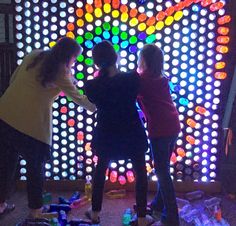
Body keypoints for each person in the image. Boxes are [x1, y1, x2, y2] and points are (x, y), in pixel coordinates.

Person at [0, 37, 96, 218]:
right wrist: (99, 107)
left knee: (5, 164)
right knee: (36, 168)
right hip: (30, 126)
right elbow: (78, 98)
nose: (73, 62)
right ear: (69, 57)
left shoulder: (35, 55)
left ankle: (1, 204)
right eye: (74, 59)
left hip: (4, 115)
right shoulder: (61, 71)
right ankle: (35, 211)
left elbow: (15, 78)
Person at [84, 41, 154, 226]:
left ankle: (95, 212)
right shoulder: (132, 79)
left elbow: (93, 100)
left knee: (100, 172)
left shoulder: (92, 86)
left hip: (107, 135)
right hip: (132, 133)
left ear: (96, 63)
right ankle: (141, 218)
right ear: (117, 58)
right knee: (140, 173)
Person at [137, 44, 181, 226]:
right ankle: (157, 205)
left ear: (144, 60)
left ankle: (172, 217)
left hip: (160, 129)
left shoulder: (141, 80)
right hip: (173, 125)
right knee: (164, 168)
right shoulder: (162, 77)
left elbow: (130, 89)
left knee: (162, 172)